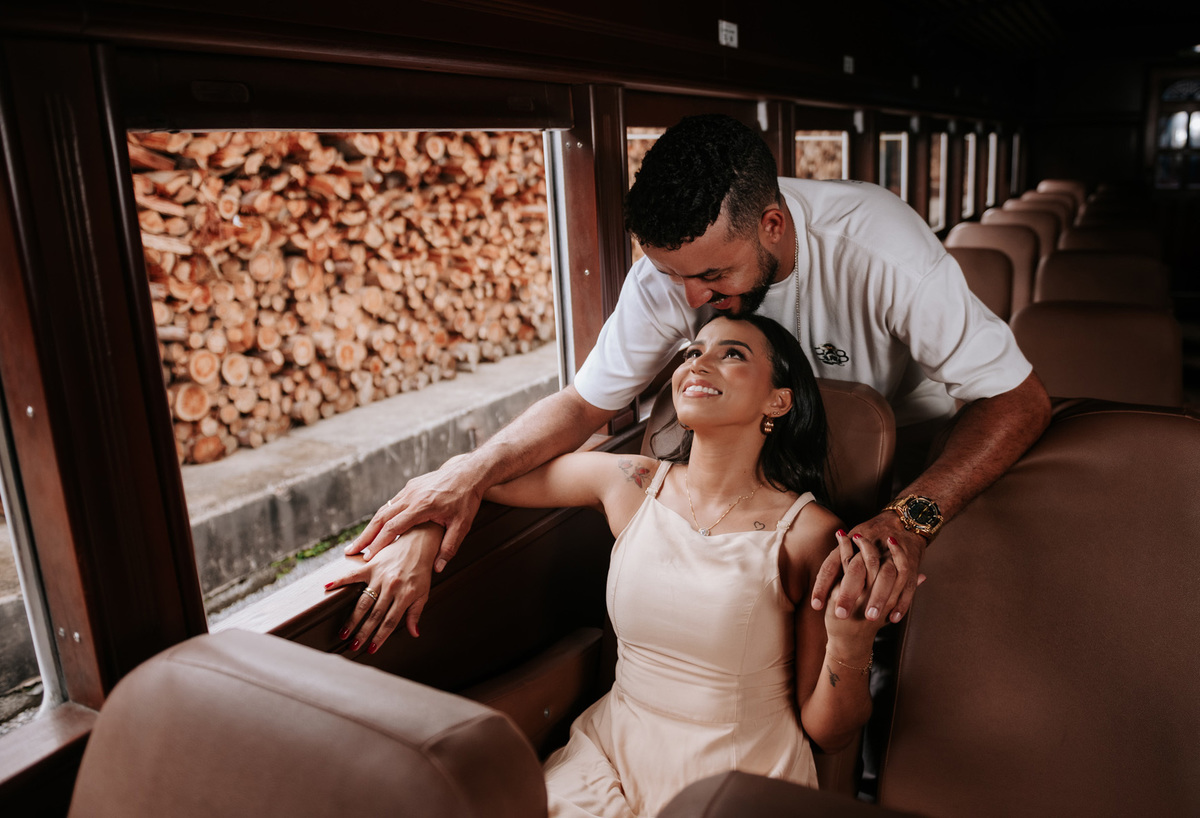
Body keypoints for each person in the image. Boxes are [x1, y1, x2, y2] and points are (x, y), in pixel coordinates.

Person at [347, 113, 1050, 629]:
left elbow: (1017, 401)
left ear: (772, 225)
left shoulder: (881, 248)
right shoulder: (677, 275)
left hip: (910, 457)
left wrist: (907, 520)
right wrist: (466, 477)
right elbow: (585, 405)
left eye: (714, 276)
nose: (689, 301)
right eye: (673, 276)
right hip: (764, 473)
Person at [327, 314, 902, 817]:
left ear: (779, 401)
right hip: (607, 758)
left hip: (735, 777)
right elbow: (481, 477)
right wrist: (422, 536)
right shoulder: (630, 482)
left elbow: (830, 733)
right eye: (692, 351)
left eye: (731, 354)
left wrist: (851, 644)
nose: (698, 363)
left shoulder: (809, 534)